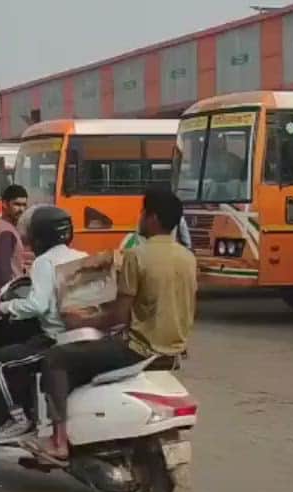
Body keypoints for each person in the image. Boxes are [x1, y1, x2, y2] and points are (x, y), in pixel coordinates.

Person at [33, 188, 197, 463]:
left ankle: (59, 441)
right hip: (174, 348)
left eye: (143, 213)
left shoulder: (137, 256)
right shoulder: (188, 258)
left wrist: (83, 320)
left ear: (153, 218)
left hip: (138, 348)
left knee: (56, 359)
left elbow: (119, 315)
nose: (140, 219)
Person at [0, 205, 84, 443]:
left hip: (55, 339)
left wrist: (3, 307)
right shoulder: (81, 256)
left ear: (39, 236)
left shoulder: (44, 262)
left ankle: (18, 419)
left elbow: (37, 305)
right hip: (85, 337)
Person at [0, 184, 29, 305]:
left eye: (24, 205)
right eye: (17, 204)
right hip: (8, 299)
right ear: (4, 204)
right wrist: (7, 301)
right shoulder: (6, 232)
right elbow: (4, 271)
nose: (21, 209)